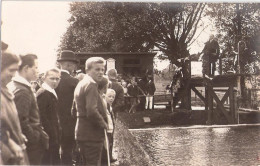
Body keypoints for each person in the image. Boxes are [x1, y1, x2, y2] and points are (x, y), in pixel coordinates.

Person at [11, 54, 49, 165]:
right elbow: (21, 120)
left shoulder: (18, 86)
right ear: (26, 68)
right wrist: (35, 138)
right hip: (31, 147)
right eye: (36, 67)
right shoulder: (23, 91)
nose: (38, 70)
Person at [74, 57, 108, 166]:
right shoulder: (91, 85)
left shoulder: (81, 83)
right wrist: (104, 124)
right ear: (87, 70)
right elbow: (92, 111)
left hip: (82, 132)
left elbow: (73, 109)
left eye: (103, 70)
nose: (101, 72)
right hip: (92, 135)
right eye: (97, 69)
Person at [1, 52, 29, 165]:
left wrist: (17, 133)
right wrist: (10, 142)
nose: (13, 75)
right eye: (11, 70)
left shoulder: (5, 90)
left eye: (15, 70)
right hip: (7, 152)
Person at [55, 50, 79, 165]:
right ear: (69, 65)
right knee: (68, 151)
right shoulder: (74, 82)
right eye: (74, 64)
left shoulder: (53, 81)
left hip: (55, 121)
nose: (74, 67)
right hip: (70, 122)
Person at [36, 68, 61, 165]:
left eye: (57, 79)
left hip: (53, 136)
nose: (55, 81)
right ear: (44, 78)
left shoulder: (51, 91)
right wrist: (51, 134)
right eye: (52, 78)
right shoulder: (44, 93)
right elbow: (41, 117)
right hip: (47, 137)